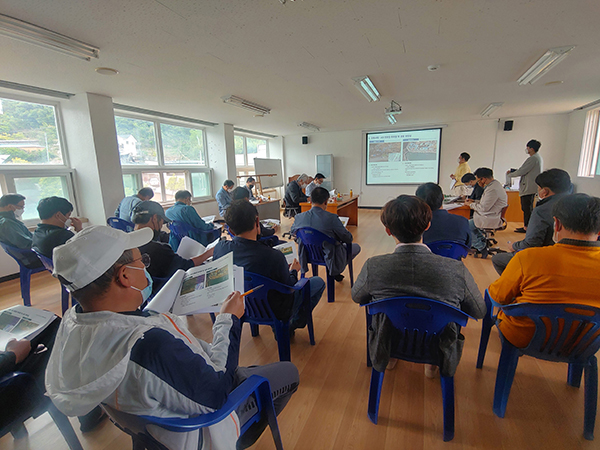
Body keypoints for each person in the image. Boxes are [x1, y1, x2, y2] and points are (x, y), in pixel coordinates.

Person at [45, 226, 299, 449]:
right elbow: (218, 392)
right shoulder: (150, 346)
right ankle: (239, 437)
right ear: (124, 276)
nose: (145, 266)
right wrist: (228, 319)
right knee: (288, 372)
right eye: (141, 260)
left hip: (148, 423)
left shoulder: (73, 322)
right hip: (198, 429)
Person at [351, 195, 485, 377]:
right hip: (439, 346)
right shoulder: (455, 269)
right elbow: (479, 311)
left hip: (388, 341)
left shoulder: (374, 266)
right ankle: (432, 365)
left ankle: (390, 357)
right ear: (428, 226)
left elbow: (357, 296)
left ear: (388, 231)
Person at [488, 193, 600, 349]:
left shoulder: (529, 257)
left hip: (526, 336)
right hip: (585, 343)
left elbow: (498, 296)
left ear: (557, 224)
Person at [214, 200, 325, 331]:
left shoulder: (220, 249)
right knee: (317, 282)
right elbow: (290, 287)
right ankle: (292, 324)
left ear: (230, 229)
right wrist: (293, 271)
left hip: (240, 304)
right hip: (275, 309)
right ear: (257, 222)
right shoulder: (273, 256)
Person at [491, 168, 572, 275]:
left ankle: (519, 287)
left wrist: (514, 246)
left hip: (546, 258)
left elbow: (532, 243)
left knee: (498, 259)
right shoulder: (577, 205)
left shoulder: (543, 210)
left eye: (538, 188)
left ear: (545, 191)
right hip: (573, 258)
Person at [132, 201, 213, 293]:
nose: (160, 228)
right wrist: (209, 253)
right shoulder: (158, 250)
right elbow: (187, 265)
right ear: (154, 218)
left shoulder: (127, 245)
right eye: (161, 223)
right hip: (165, 292)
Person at [291, 187, 361, 282]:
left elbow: (294, 234)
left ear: (310, 200)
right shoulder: (331, 218)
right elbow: (348, 238)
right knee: (356, 247)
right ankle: (335, 271)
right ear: (326, 202)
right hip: (330, 255)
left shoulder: (299, 217)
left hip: (307, 254)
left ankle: (334, 272)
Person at [465, 168, 508, 258]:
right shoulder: (494, 185)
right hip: (491, 214)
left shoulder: (492, 189)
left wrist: (471, 204)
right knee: (472, 224)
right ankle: (482, 241)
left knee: (467, 225)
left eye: (478, 179)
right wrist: (474, 201)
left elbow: (483, 208)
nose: (477, 182)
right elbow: (485, 203)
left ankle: (481, 247)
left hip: (490, 217)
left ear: (483, 179)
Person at [415, 183, 471, 247]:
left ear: (418, 201)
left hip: (424, 256)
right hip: (452, 256)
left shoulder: (416, 225)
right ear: (443, 197)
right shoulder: (463, 221)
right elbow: (467, 246)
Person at [506, 139, 543, 233]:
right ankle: (527, 226)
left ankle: (527, 227)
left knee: (527, 208)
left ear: (532, 148)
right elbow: (524, 169)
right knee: (527, 208)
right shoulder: (536, 158)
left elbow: (523, 171)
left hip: (529, 187)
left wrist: (510, 175)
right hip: (530, 186)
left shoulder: (533, 158)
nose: (526, 149)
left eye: (528, 147)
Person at [0, 193, 42, 268]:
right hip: (33, 257)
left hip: (27, 256)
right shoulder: (7, 223)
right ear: (10, 206)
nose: (22, 210)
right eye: (21, 207)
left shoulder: (8, 220)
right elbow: (26, 244)